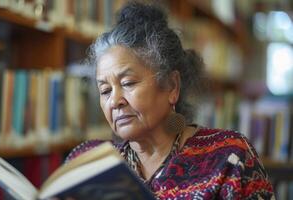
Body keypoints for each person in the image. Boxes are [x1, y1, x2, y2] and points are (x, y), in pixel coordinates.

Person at [66, 2, 274, 199]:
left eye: (128, 83)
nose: (115, 101)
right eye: (105, 90)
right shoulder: (88, 161)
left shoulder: (228, 157)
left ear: (172, 86)